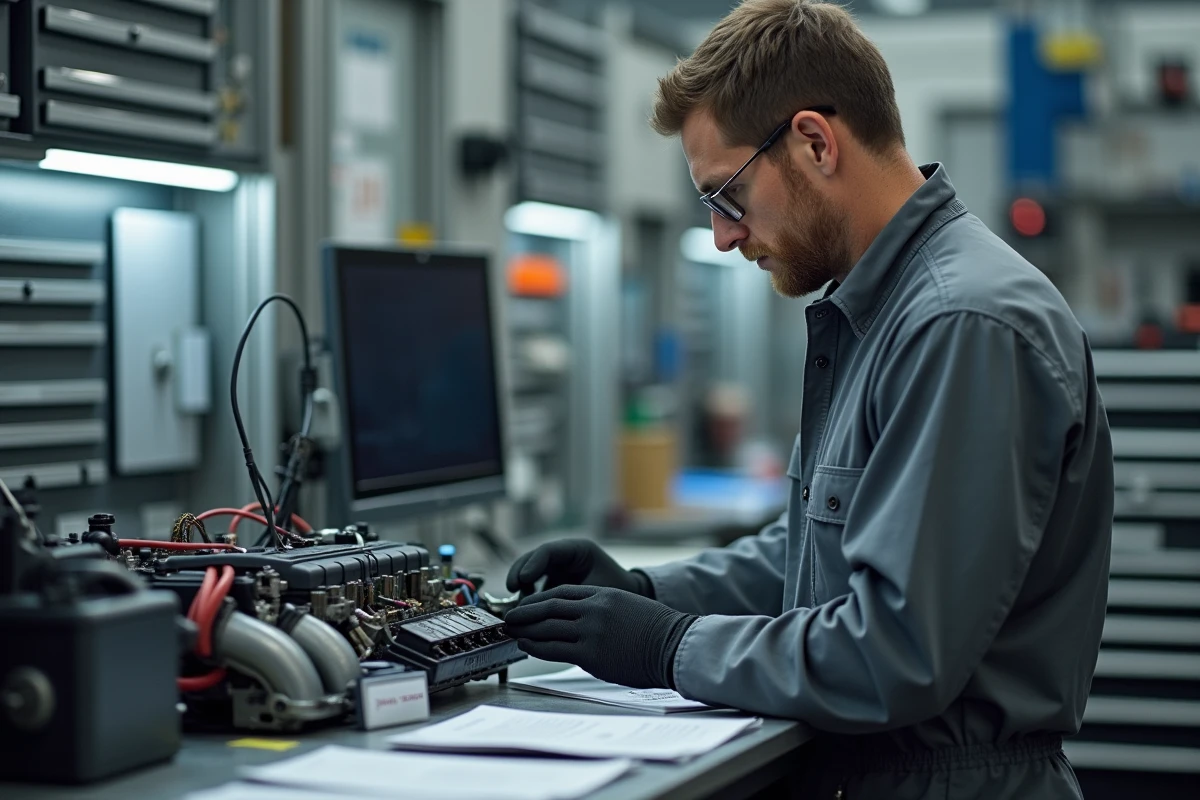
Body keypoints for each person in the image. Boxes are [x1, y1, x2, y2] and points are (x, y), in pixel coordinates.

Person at [503, 1, 1113, 797]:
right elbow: (818, 556)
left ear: (815, 142)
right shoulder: (880, 310)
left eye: (728, 197)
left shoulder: (960, 323)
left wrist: (666, 645)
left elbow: (894, 652)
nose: (723, 237)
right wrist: (646, 592)